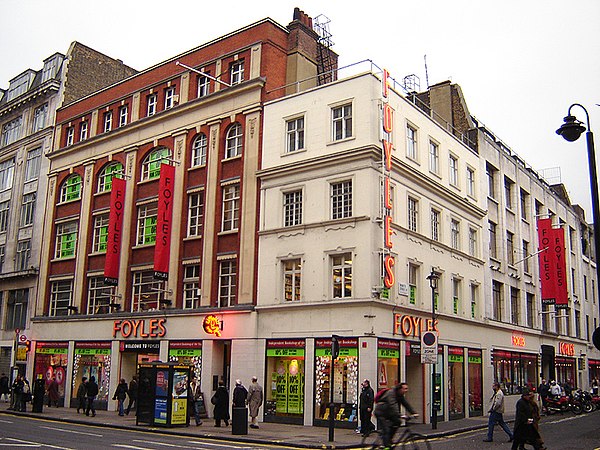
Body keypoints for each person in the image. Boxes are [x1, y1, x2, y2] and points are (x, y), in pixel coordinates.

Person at [374, 382, 417, 448]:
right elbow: (393, 405)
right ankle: (386, 446)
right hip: (381, 413)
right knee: (386, 430)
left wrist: (413, 413)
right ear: (399, 389)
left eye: (407, 389)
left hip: (388, 413)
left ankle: (388, 439)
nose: (406, 390)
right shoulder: (391, 393)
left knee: (398, 422)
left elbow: (406, 404)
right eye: (405, 389)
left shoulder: (400, 395)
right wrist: (400, 415)